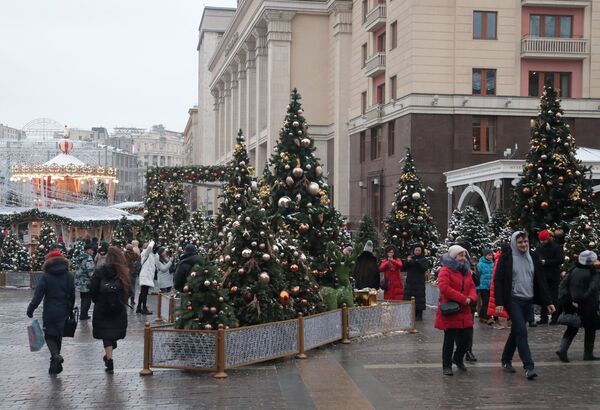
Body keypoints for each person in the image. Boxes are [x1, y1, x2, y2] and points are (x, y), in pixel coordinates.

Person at [495, 231, 554, 379]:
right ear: (514, 243)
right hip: (513, 299)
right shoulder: (507, 257)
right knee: (522, 330)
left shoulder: (533, 257)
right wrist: (500, 302)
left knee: (516, 331)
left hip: (528, 299)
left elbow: (541, 280)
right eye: (520, 242)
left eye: (525, 241)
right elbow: (499, 280)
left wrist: (548, 302)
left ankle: (506, 359)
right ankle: (529, 367)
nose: (523, 245)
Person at [26, 250, 75, 375]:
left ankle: (55, 356)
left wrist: (31, 309)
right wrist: (70, 310)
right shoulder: (69, 275)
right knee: (58, 335)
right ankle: (54, 364)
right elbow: (72, 295)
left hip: (50, 310)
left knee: (49, 335)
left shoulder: (46, 276)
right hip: (63, 309)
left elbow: (38, 295)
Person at [435, 245, 476, 376]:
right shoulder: (445, 270)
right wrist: (463, 299)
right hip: (451, 308)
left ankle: (457, 358)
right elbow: (444, 287)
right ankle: (446, 365)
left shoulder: (466, 271)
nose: (463, 258)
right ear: (453, 256)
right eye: (460, 255)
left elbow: (472, 287)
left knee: (466, 338)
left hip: (465, 309)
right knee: (449, 339)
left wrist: (470, 297)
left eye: (464, 255)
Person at [89, 246, 130, 374]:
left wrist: (98, 301)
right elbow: (128, 291)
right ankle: (110, 354)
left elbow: (93, 290)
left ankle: (109, 359)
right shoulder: (123, 272)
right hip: (118, 308)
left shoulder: (100, 271)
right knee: (113, 334)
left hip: (102, 308)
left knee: (106, 335)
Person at [556, 250, 600, 362]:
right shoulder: (592, 273)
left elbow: (563, 285)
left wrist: (567, 300)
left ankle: (563, 349)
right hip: (588, 305)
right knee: (590, 329)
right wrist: (584, 298)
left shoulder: (573, 270)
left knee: (572, 328)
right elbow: (593, 288)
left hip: (573, 304)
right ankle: (588, 354)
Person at [536, 229, 564, 325]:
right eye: (541, 240)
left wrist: (546, 262)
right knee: (543, 296)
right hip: (543, 275)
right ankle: (543, 317)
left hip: (553, 275)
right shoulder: (539, 247)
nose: (542, 242)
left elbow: (560, 259)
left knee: (553, 296)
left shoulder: (555, 247)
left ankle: (554, 317)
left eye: (544, 240)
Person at [403, 244, 428, 321]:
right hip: (410, 282)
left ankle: (419, 314)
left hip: (419, 283)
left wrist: (417, 262)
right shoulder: (410, 258)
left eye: (419, 250)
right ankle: (410, 314)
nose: (417, 252)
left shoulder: (423, 259)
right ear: (413, 251)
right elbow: (404, 267)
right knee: (409, 298)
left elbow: (424, 268)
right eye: (416, 250)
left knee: (419, 299)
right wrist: (408, 261)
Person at [75, 243, 95, 320]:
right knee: (87, 299)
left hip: (79, 281)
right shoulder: (88, 258)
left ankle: (83, 314)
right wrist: (94, 279)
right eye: (92, 250)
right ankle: (83, 315)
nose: (93, 251)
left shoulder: (79, 257)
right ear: (88, 250)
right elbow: (90, 271)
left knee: (83, 298)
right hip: (86, 282)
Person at [137, 240, 156, 314]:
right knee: (144, 293)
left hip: (146, 275)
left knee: (142, 292)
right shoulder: (146, 253)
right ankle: (144, 308)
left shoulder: (148, 254)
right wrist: (152, 241)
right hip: (145, 276)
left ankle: (139, 307)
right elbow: (150, 246)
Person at [477, 249, 494, 324]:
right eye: (489, 255)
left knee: (489, 302)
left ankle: (482, 315)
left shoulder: (492, 264)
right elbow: (477, 276)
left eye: (491, 255)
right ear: (485, 255)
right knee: (486, 301)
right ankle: (486, 317)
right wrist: (477, 287)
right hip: (483, 286)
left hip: (490, 286)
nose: (490, 257)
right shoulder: (480, 265)